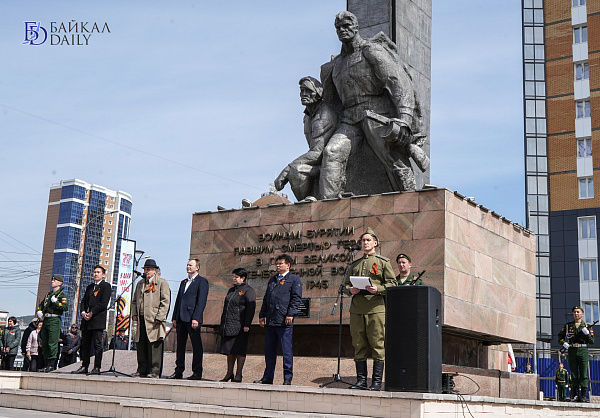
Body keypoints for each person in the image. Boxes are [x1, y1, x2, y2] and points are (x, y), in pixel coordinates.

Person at [319, 11, 427, 198]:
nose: (342, 30)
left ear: (356, 28)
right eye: (338, 28)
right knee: (331, 152)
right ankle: (329, 205)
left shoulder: (370, 50)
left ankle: (410, 198)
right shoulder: (337, 64)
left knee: (391, 158)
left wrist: (404, 119)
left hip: (376, 114)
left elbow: (397, 82)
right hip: (349, 119)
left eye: (346, 26)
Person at [344, 227, 396, 390]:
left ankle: (376, 382)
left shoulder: (383, 262)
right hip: (357, 309)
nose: (365, 243)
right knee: (358, 344)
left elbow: (392, 284)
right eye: (363, 240)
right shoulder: (355, 264)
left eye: (368, 240)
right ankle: (361, 381)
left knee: (377, 344)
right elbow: (345, 285)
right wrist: (350, 290)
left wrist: (378, 288)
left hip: (376, 308)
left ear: (375, 243)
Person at [274, 76, 338, 200]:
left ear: (318, 94)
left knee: (295, 170)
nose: (304, 94)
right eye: (302, 90)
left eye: (309, 91)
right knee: (296, 170)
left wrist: (286, 169)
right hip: (316, 163)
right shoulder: (307, 117)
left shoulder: (325, 115)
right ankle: (305, 203)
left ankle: (310, 204)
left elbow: (317, 152)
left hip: (328, 166)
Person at [254, 254, 302, 385]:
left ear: (288, 265)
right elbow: (266, 298)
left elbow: (296, 299)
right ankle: (267, 377)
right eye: (277, 263)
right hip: (271, 320)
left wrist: (290, 314)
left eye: (281, 263)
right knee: (269, 351)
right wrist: (262, 315)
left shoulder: (294, 279)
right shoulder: (273, 280)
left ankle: (287, 378)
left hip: (284, 321)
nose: (278, 265)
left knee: (286, 351)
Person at [167, 259, 209, 380]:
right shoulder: (183, 282)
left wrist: (196, 317)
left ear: (197, 267)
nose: (188, 267)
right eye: (187, 265)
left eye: (191, 265)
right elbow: (178, 300)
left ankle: (197, 372)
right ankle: (178, 371)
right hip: (181, 318)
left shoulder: (202, 281)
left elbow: (201, 301)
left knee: (196, 345)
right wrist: (174, 318)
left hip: (192, 318)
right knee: (180, 345)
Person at [131, 259, 171, 378]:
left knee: (154, 345)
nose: (146, 272)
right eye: (145, 269)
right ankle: (142, 369)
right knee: (141, 344)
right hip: (141, 318)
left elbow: (165, 301)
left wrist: (160, 316)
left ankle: (155, 371)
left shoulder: (162, 283)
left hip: (154, 319)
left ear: (155, 271)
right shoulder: (140, 283)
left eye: (148, 269)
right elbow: (134, 301)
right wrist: (134, 314)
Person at [72, 265, 112, 375]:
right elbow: (83, 302)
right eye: (94, 272)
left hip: (97, 320)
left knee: (97, 345)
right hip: (86, 320)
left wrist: (92, 313)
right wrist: (83, 312)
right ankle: (84, 366)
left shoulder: (106, 286)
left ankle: (97, 367)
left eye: (98, 272)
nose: (95, 274)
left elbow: (103, 303)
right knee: (85, 344)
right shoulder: (90, 287)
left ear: (103, 274)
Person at [219, 267, 256, 382]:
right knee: (229, 350)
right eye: (233, 277)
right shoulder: (231, 290)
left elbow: (251, 308)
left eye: (236, 277)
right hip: (229, 324)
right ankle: (229, 373)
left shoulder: (248, 290)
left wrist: (247, 324)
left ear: (243, 278)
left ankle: (239, 374)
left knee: (239, 350)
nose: (234, 279)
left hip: (241, 325)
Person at [558, 305, 595, 402]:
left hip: (583, 350)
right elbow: (560, 337)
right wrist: (564, 343)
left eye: (578, 312)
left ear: (582, 314)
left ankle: (583, 396)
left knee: (583, 373)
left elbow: (592, 341)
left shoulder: (586, 326)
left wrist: (587, 334)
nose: (576, 313)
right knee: (573, 373)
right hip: (572, 350)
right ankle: (575, 395)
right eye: (574, 312)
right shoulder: (568, 326)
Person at [36, 274, 69, 372]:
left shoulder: (62, 295)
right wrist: (39, 311)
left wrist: (56, 302)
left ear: (60, 283)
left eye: (55, 280)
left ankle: (51, 365)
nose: (52, 282)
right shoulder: (48, 295)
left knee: (52, 343)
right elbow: (42, 305)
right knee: (45, 342)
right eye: (52, 280)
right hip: (46, 319)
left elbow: (65, 307)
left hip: (54, 320)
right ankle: (46, 364)